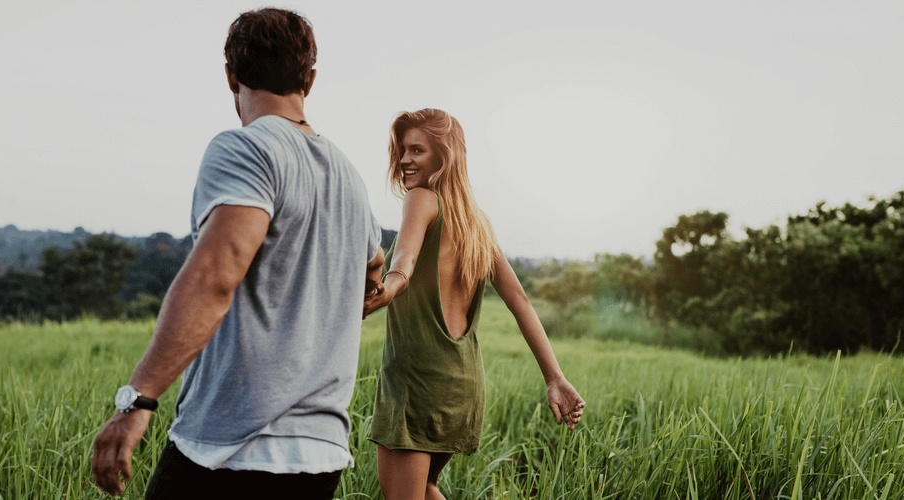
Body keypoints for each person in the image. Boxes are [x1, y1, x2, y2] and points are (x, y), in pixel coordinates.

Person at [91, 8, 384, 499]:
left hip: (232, 450)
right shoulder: (349, 176)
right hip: (321, 454)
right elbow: (374, 270)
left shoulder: (246, 150)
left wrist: (136, 401)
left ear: (231, 75)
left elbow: (215, 276)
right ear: (309, 80)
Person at [362, 108, 585, 500]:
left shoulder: (421, 199)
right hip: (462, 386)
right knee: (425, 488)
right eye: (402, 150)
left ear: (443, 156)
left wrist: (388, 287)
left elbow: (404, 262)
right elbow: (519, 300)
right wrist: (554, 377)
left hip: (417, 382)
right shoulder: (476, 222)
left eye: (417, 150)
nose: (404, 160)